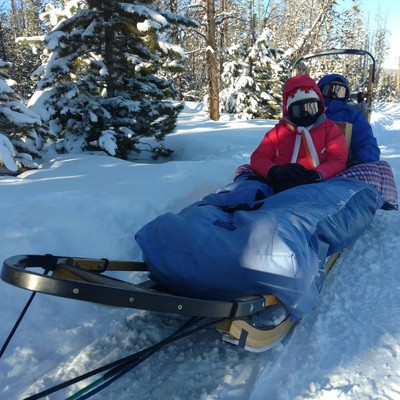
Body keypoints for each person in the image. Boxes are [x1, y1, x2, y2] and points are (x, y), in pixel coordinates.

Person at [250, 74, 348, 194]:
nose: (306, 115)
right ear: (289, 111)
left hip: (319, 185)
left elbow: (338, 160)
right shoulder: (278, 132)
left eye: (311, 108)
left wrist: (317, 174)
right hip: (280, 184)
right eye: (299, 111)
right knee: (246, 177)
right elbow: (258, 157)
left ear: (320, 106)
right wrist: (274, 171)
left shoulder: (330, 129)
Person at [317, 73, 380, 165]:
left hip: (344, 163)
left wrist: (360, 160)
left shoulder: (353, 116)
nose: (334, 95)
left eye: (340, 91)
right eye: (329, 90)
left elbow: (366, 141)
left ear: (346, 94)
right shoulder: (313, 111)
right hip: (314, 162)